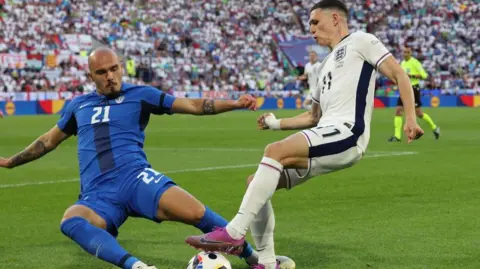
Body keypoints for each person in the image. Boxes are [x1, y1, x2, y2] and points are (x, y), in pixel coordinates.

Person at [0, 47, 294, 269]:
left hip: (137, 179)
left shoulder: (140, 94)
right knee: (71, 221)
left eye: (114, 68)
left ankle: (258, 261)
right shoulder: (78, 105)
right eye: (102, 73)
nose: (111, 76)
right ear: (90, 76)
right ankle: (137, 266)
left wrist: (233, 103)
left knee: (197, 214)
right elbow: (48, 141)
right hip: (98, 194)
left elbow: (191, 104)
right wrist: (12, 161)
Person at [185, 1, 424, 269]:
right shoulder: (323, 66)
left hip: (348, 132)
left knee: (274, 152)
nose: (310, 29)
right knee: (257, 182)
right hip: (325, 131)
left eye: (314, 22)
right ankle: (266, 262)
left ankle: (234, 232)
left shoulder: (361, 41)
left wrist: (410, 118)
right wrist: (276, 123)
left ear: (335, 19)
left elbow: (399, 74)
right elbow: (312, 117)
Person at [388, 46, 440, 142]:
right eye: (404, 52)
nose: (405, 54)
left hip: (414, 89)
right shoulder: (402, 63)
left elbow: (424, 75)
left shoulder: (415, 62)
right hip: (404, 89)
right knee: (398, 110)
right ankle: (397, 136)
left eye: (407, 52)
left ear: (410, 53)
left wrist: (411, 75)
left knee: (418, 113)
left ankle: (434, 127)